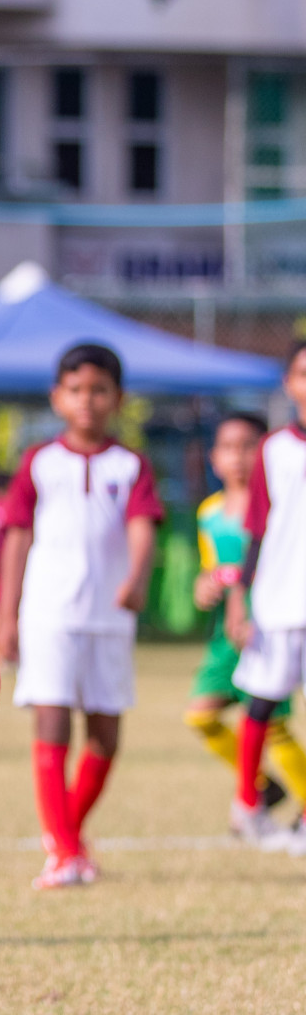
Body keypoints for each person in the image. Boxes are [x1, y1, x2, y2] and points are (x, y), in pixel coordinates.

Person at [0, 344, 162, 890]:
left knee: (107, 735)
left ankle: (65, 837)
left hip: (109, 617)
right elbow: (18, 536)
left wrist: (136, 577)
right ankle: (65, 850)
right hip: (49, 612)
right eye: (75, 390)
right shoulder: (39, 461)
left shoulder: (130, 465)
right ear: (57, 397)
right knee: (52, 722)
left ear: (118, 399)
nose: (86, 401)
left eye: (98, 390)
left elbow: (143, 525)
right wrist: (9, 612)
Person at [186, 413, 306, 847]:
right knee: (201, 714)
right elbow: (214, 568)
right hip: (229, 630)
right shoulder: (209, 513)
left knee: (270, 718)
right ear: (214, 457)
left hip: (271, 620)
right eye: (227, 447)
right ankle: (258, 784)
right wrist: (207, 584)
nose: (238, 458)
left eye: (247, 447)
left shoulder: (284, 499)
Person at [227, 342, 306, 849]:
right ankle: (247, 805)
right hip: (281, 599)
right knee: (264, 701)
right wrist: (241, 598)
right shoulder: (274, 449)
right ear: (289, 383)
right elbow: (256, 527)